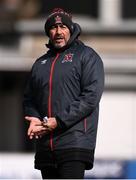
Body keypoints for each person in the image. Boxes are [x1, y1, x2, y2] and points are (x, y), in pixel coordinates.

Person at [23, 8, 104, 179]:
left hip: (74, 143)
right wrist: (34, 117)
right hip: (45, 146)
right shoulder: (40, 63)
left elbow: (90, 97)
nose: (59, 32)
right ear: (48, 32)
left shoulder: (87, 56)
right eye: (53, 27)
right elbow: (29, 98)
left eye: (63, 27)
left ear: (71, 29)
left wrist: (58, 121)